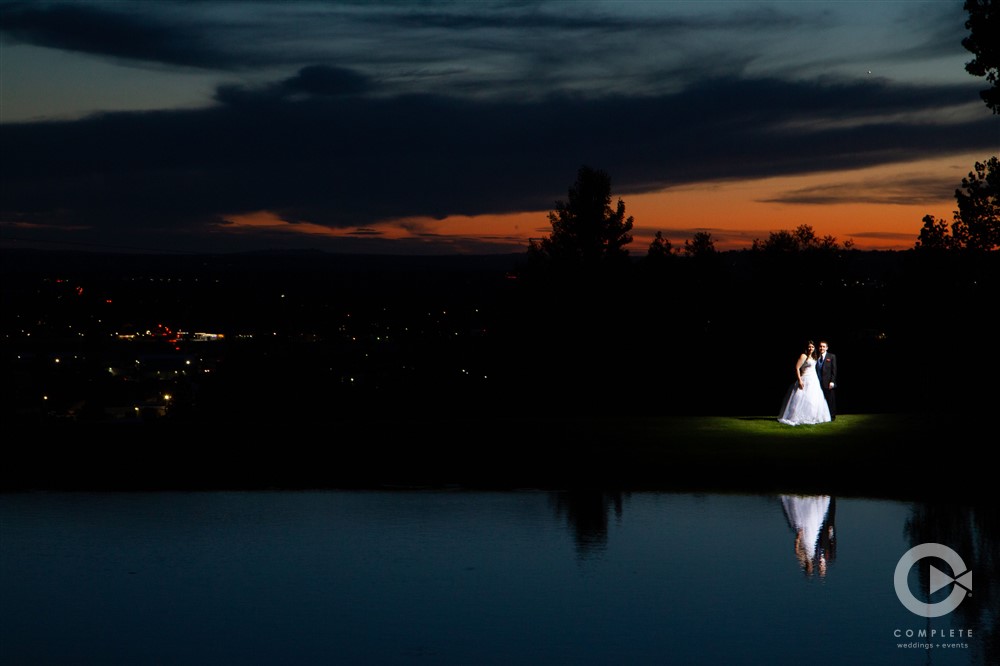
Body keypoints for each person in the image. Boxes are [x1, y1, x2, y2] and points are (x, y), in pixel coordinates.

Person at [777, 340, 832, 426]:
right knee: (801, 398)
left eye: (813, 347)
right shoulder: (803, 356)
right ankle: (796, 417)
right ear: (807, 347)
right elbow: (797, 368)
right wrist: (799, 380)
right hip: (805, 379)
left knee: (813, 399)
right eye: (809, 346)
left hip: (814, 380)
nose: (811, 348)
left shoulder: (814, 356)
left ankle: (812, 417)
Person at [816, 340, 837, 420]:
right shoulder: (816, 357)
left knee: (830, 400)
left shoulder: (831, 356)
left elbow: (834, 370)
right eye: (820, 346)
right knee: (821, 400)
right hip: (818, 382)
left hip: (828, 382)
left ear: (827, 348)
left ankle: (832, 416)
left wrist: (832, 381)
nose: (822, 348)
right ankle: (823, 416)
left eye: (824, 346)